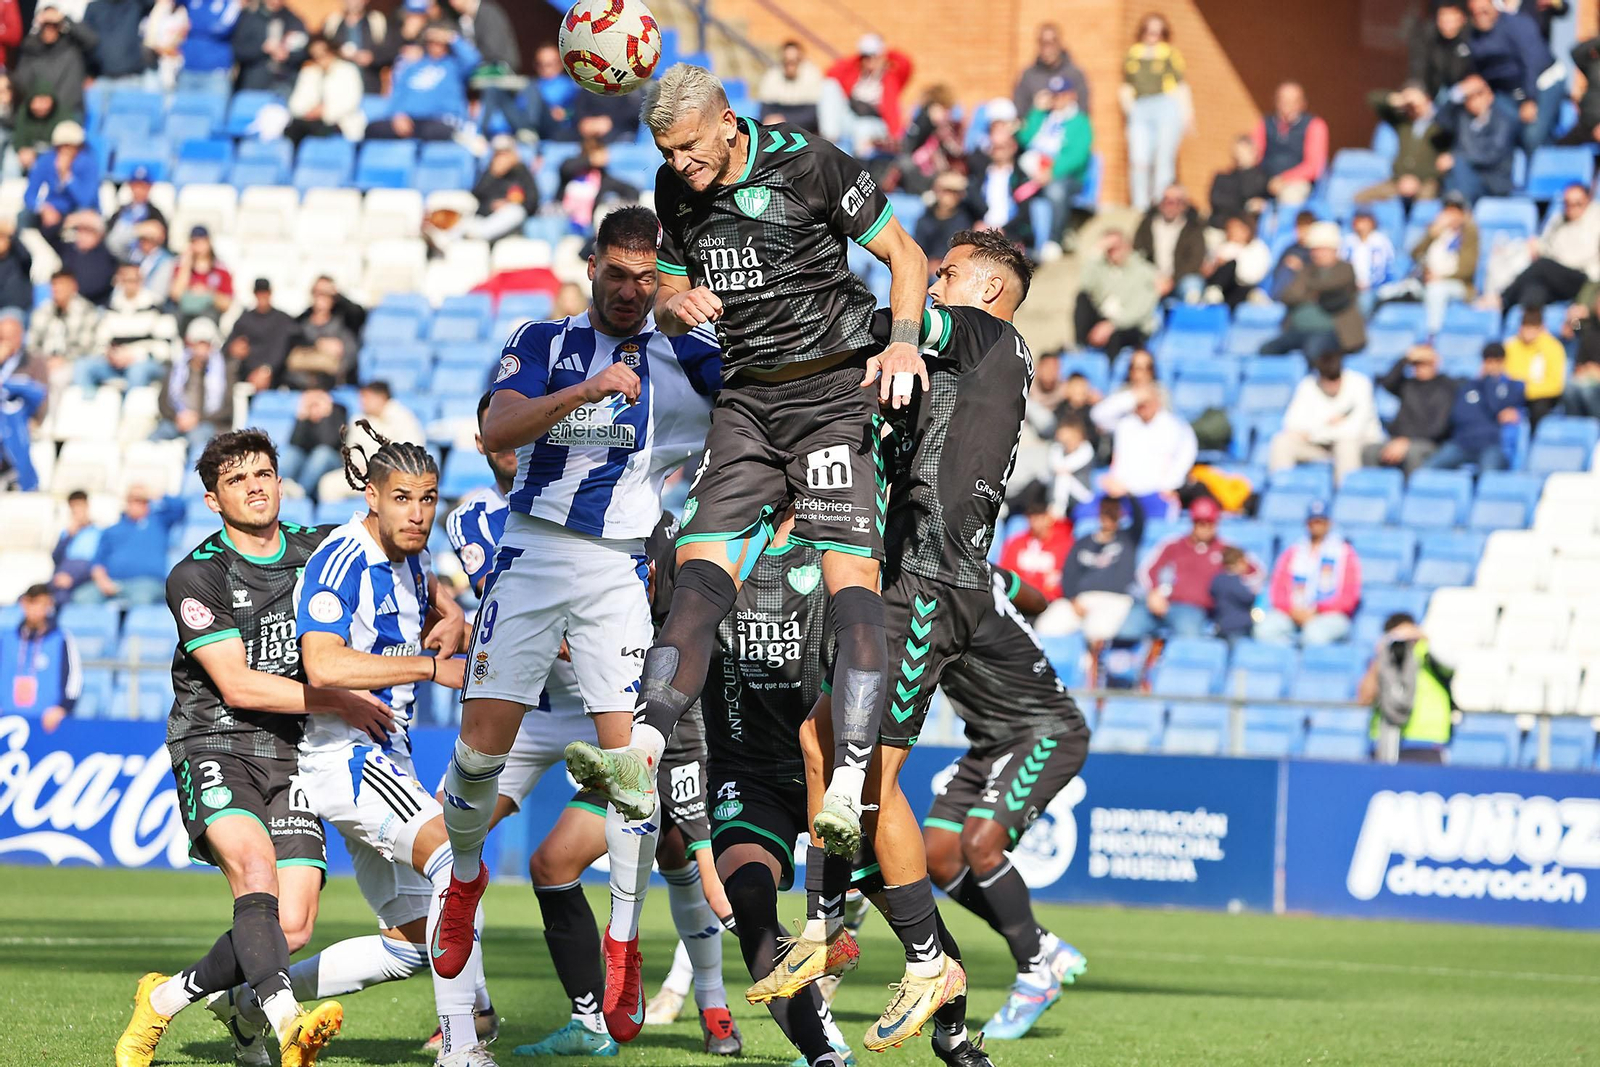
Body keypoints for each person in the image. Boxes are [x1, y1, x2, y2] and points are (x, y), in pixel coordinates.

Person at [552, 70, 929, 1034]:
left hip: (833, 391)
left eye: (690, 148)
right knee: (702, 572)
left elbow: (906, 255)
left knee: (852, 585)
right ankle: (638, 747)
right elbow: (675, 273)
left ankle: (847, 780)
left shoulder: (809, 164)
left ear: (729, 122)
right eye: (668, 153)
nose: (678, 167)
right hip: (748, 405)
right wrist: (674, 301)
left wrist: (901, 346)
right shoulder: (680, 188)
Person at [433, 205, 726, 1044]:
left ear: (658, 272)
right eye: (617, 273)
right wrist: (586, 390)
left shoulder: (687, 357)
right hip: (532, 549)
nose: (630, 291)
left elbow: (756, 405)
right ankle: (462, 878)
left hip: (618, 570)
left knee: (631, 766)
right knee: (479, 752)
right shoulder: (542, 338)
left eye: (646, 276)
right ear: (591, 265)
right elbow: (496, 429)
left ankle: (624, 943)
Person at [771, 231, 1034, 1063]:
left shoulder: (990, 335)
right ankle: (848, 930)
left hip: (929, 582)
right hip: (908, 578)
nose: (932, 280)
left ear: (989, 288)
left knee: (870, 773)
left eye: (946, 271)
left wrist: (805, 296)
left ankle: (915, 956)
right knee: (826, 742)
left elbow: (904, 322)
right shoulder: (963, 369)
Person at [200, 423, 496, 1067]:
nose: (417, 514)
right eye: (402, 499)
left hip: (388, 756)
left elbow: (436, 616)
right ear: (372, 498)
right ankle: (464, 1044)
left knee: (416, 943)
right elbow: (324, 665)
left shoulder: (411, 557)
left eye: (428, 499)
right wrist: (427, 666)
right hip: (348, 760)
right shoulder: (342, 559)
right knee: (458, 865)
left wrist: (454, 625)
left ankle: (251, 1006)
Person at [113, 430, 383, 1067]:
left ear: (281, 481)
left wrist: (447, 611)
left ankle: (164, 1002)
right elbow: (236, 683)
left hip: (294, 750)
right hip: (216, 740)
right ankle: (287, 1023)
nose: (255, 486)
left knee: (291, 927)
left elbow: (395, 528)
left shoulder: (320, 551)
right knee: (254, 876)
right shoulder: (197, 574)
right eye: (237, 480)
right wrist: (339, 699)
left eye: (263, 473)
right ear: (212, 499)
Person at [916, 563, 1090, 1041]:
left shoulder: (932, 591)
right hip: (992, 742)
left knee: (980, 845)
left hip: (1045, 731)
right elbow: (1034, 597)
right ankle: (1042, 945)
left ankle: (1035, 975)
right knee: (937, 855)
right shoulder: (975, 569)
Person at [1121, 496, 1241, 640]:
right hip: (1159, 603)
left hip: (1193, 610)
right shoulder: (1173, 545)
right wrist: (1153, 593)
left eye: (1209, 522)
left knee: (1189, 639)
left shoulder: (1227, 549)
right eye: (1199, 522)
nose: (1204, 527)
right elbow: (1146, 571)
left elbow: (1254, 573)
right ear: (1192, 522)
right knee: (1125, 631)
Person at [1045, 485, 1144, 655]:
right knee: (1048, 625)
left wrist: (1127, 493)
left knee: (1096, 630)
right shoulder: (1083, 541)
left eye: (1113, 511)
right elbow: (1068, 573)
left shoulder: (1128, 538)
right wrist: (1072, 598)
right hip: (1080, 600)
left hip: (1114, 600)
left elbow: (1141, 518)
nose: (1108, 515)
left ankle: (1091, 674)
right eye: (1105, 511)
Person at [1255, 500, 1361, 647]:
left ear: (1328, 523)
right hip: (1292, 613)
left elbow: (1349, 597)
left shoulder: (1344, 553)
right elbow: (1277, 590)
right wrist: (1293, 611)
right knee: (1264, 630)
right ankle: (1288, 662)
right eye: (1313, 522)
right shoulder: (1294, 552)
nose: (1316, 526)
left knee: (1314, 635)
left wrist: (1318, 610)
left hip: (1329, 615)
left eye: (1321, 522)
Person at [1465, 0, 1563, 154]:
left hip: (1542, 82)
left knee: (1533, 136)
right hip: (1508, 91)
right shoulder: (1474, 37)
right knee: (1507, 134)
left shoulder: (1516, 24)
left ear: (1493, 7)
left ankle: (1542, 172)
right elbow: (1482, 69)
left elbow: (1532, 62)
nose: (1480, 16)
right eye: (1474, 13)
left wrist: (1531, 99)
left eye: (1483, 11)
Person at [1269, 353, 1381, 485]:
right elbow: (1291, 423)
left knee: (1346, 446)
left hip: (1359, 445)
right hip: (1320, 446)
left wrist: (1315, 430)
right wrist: (1331, 425)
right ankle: (1281, 490)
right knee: (1281, 442)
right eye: (1328, 380)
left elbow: (1353, 431)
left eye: (1336, 379)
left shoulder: (1360, 383)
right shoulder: (1308, 385)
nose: (1332, 385)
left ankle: (1345, 497)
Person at [1089, 382, 1196, 520]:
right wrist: (1132, 397)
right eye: (1140, 402)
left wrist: (1170, 485)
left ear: (1157, 400)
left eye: (1147, 401)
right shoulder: (1125, 423)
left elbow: (1187, 453)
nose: (1143, 405)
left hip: (1156, 495)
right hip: (1121, 494)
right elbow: (1097, 415)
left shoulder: (1173, 425)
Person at [1261, 221, 1365, 360]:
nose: (1318, 254)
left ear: (1334, 249)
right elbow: (1287, 295)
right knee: (1267, 350)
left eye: (1323, 249)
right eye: (1314, 249)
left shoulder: (1345, 269)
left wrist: (1308, 289)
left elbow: (1330, 288)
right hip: (1297, 330)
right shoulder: (1306, 270)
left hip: (1333, 331)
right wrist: (1312, 294)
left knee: (1314, 350)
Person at [1358, 613, 1454, 762]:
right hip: (1385, 741)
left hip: (1426, 742)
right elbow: (1365, 698)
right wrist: (1381, 655)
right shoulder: (1383, 660)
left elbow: (1452, 665)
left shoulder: (1428, 654)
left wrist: (1423, 638)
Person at [1120, 13, 1190, 212]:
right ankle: (1140, 205)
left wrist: (1186, 114)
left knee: (1163, 158)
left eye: (1158, 32)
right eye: (1149, 31)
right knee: (1139, 159)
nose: (1153, 36)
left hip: (1165, 105)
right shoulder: (1133, 53)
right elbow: (1128, 83)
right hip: (1141, 107)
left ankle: (1162, 203)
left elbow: (1179, 84)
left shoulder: (1170, 53)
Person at [368, 21, 479, 141]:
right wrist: (397, 114)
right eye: (431, 42)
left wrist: (451, 37)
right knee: (373, 129)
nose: (435, 45)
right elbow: (399, 92)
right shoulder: (413, 66)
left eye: (439, 42)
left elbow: (473, 60)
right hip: (410, 120)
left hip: (441, 120)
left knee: (434, 131)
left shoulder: (455, 65)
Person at [1499, 183, 1600, 312]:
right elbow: (1546, 245)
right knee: (1533, 291)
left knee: (1542, 266)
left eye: (1577, 203)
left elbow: (1582, 258)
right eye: (1567, 203)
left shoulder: (1596, 220)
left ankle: (1503, 300)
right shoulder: (1558, 220)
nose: (1572, 208)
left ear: (1588, 201)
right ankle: (1529, 327)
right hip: (1556, 277)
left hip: (1584, 279)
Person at [1019, 75, 1092, 253]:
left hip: (1065, 176)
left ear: (1071, 95)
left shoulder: (1080, 122)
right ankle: (1023, 240)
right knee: (1015, 186)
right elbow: (1024, 139)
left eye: (1061, 95)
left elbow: (1077, 156)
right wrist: (1036, 111)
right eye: (1054, 95)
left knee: (1056, 191)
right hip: (1034, 171)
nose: (1057, 99)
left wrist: (1052, 171)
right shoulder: (1043, 117)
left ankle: (1054, 239)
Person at [1427, 342, 1525, 469]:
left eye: (1497, 361)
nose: (1493, 366)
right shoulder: (1467, 385)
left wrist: (1491, 381)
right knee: (1427, 470)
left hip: (1491, 445)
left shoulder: (1512, 387)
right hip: (1461, 444)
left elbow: (1496, 406)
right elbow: (1456, 414)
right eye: (1489, 361)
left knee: (1489, 475)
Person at [79, 261, 175, 389]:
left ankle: (130, 408)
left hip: (145, 362)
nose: (130, 284)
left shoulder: (157, 306)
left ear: (141, 280)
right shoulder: (111, 307)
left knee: (137, 371)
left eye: (134, 280)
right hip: (115, 363)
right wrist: (109, 354)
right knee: (83, 367)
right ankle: (87, 404)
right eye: (126, 280)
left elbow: (165, 347)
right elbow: (100, 341)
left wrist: (135, 355)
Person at [0, 582, 80, 731]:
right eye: (33, 603)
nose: (37, 610)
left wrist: (63, 707)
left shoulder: (61, 638)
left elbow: (74, 677)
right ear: (24, 603)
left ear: (50, 605)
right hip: (7, 719)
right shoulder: (6, 638)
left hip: (47, 722)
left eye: (43, 604)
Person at [1365, 344, 1457, 474]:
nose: (1419, 368)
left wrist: (1407, 441)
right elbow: (1387, 382)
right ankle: (1374, 491)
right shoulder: (1408, 385)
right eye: (1415, 364)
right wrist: (1405, 358)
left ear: (1435, 363)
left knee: (1413, 453)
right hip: (1398, 439)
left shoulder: (1445, 387)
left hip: (1428, 442)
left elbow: (1438, 427)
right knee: (1370, 451)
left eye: (1424, 363)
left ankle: (1414, 491)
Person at [12, 2, 96, 132]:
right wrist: (35, 100)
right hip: (41, 116)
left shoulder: (72, 46)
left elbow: (92, 41)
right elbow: (21, 81)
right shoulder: (31, 48)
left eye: (54, 25)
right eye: (46, 25)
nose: (49, 29)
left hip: (69, 112)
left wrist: (64, 18)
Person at [1405, 191, 1480, 335]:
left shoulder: (1469, 233)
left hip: (1458, 284)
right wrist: (1431, 235)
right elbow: (1414, 254)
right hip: (1426, 281)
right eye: (1448, 210)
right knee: (1394, 292)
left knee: (1436, 290)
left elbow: (1468, 269)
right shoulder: (1436, 231)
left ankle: (1431, 335)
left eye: (1455, 210)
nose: (1451, 215)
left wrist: (1441, 277)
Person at [156, 318, 235, 453]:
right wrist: (177, 417)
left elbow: (227, 409)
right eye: (198, 344)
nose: (202, 350)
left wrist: (198, 418)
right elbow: (163, 402)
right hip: (177, 421)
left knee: (198, 441)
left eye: (206, 344)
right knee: (155, 439)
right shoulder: (176, 367)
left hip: (209, 423)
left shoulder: (224, 369)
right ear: (189, 343)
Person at [1074, 230, 1160, 353]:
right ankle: (1080, 349)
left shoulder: (1144, 271)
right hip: (1104, 319)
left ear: (1127, 246)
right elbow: (1085, 285)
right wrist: (1096, 251)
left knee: (1115, 337)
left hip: (1131, 325)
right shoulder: (1101, 268)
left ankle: (1110, 369)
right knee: (1082, 299)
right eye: (1109, 248)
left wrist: (1112, 325)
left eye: (1117, 247)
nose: (1113, 252)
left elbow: (1141, 310)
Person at [1358, 82, 1445, 203]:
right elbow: (1373, 99)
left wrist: (1422, 104)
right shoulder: (1404, 124)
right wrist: (1399, 99)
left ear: (1427, 98)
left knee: (1425, 207)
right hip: (1399, 181)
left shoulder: (1440, 123)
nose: (1412, 107)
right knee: (1360, 199)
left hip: (1426, 182)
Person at [823, 33, 913, 149]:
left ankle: (858, 164)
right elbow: (831, 73)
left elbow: (906, 64)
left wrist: (886, 53)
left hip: (875, 122)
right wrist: (857, 57)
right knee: (829, 86)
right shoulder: (855, 73)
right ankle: (829, 141)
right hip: (852, 117)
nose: (869, 61)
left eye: (873, 56)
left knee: (862, 129)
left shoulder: (891, 77)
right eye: (866, 57)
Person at [1436, 74, 1516, 203]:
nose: (1474, 100)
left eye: (1479, 94)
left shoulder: (1502, 121)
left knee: (1457, 168)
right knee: (1453, 175)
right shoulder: (1462, 118)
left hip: (1492, 179)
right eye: (1469, 96)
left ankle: (1456, 210)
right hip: (1464, 177)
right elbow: (1440, 119)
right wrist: (1458, 91)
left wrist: (1456, 159)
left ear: (1490, 95)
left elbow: (1492, 156)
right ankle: (1453, 208)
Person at [1252, 82, 1328, 206]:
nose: (1288, 105)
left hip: (1296, 182)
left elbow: (1314, 167)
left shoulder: (1314, 125)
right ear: (1276, 102)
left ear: (1303, 104)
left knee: (1290, 196)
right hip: (1266, 180)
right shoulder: (1265, 123)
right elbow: (1254, 156)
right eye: (1283, 100)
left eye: (1293, 101)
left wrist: (1283, 179)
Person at [998, 486, 1073, 609]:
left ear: (1049, 517)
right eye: (1031, 517)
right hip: (1019, 599)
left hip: (1050, 602)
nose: (1035, 522)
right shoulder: (1017, 542)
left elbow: (1066, 578)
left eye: (1040, 516)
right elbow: (1006, 572)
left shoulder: (1065, 543)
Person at [1133, 184, 1205, 305]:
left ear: (1184, 205)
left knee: (1193, 287)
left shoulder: (1194, 228)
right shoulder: (1146, 225)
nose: (1170, 205)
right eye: (1167, 200)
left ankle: (1187, 320)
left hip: (1180, 279)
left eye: (1176, 201)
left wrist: (1172, 280)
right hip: (1152, 277)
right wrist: (1154, 277)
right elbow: (1138, 253)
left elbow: (1195, 260)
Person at [286, 33, 366, 141]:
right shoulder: (309, 72)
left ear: (331, 52)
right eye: (315, 56)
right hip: (308, 120)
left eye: (323, 54)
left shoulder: (348, 71)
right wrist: (308, 111)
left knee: (319, 130)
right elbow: (296, 103)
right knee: (292, 129)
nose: (320, 59)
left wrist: (324, 112)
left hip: (339, 122)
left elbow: (351, 102)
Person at [463, 135, 539, 243]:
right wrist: (493, 175)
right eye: (498, 153)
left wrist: (507, 204)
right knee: (466, 217)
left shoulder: (521, 172)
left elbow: (532, 202)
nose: (502, 157)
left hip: (511, 219)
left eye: (506, 153)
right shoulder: (490, 172)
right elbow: (476, 197)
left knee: (515, 212)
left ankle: (478, 234)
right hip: (488, 217)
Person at [227, 279, 299, 392]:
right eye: (259, 292)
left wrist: (266, 371)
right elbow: (228, 347)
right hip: (248, 377)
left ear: (270, 293)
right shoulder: (245, 320)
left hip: (277, 379)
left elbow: (283, 349)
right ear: (254, 294)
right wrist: (233, 349)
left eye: (265, 292)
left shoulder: (283, 320)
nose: (262, 296)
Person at [23, 119, 97, 226]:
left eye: (71, 146)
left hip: (79, 213)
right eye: (61, 146)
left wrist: (67, 176)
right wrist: (43, 209)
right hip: (53, 213)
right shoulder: (47, 160)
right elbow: (29, 195)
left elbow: (86, 200)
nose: (65, 151)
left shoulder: (88, 163)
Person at [1503, 305, 1566, 426]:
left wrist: (1527, 389)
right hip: (1513, 392)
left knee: (1539, 407)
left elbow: (1555, 385)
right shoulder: (1510, 345)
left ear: (1541, 328)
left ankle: (1535, 440)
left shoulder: (1553, 347)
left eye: (1533, 328)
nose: (1528, 333)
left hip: (1540, 395)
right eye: (1526, 327)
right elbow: (1505, 373)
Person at [1013, 23, 1091, 119]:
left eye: (1052, 42)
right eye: (1043, 43)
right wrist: (1036, 107)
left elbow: (1084, 112)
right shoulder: (1029, 76)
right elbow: (1019, 113)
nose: (1047, 49)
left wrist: (1064, 105)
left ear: (1059, 43)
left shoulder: (1074, 74)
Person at [278, 388, 346, 496]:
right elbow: (295, 443)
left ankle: (300, 492)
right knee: (291, 453)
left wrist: (325, 416)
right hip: (307, 460)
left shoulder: (338, 411)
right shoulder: (305, 417)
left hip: (332, 459)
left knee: (321, 453)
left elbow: (329, 442)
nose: (314, 405)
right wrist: (302, 417)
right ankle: (280, 490)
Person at [28, 268, 100, 368]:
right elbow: (32, 344)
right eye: (54, 284)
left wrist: (64, 360)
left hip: (72, 363)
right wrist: (43, 361)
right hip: (44, 363)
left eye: (61, 284)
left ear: (73, 286)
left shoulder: (87, 311)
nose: (56, 289)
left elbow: (86, 347)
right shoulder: (42, 310)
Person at [234, 0, 309, 94]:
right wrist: (263, 48)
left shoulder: (293, 21)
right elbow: (238, 50)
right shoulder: (250, 18)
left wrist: (287, 54)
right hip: (253, 85)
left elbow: (304, 51)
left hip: (283, 85)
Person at [46, 208, 116, 305]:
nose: (82, 235)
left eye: (88, 231)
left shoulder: (106, 252)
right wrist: (70, 220)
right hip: (72, 305)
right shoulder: (68, 250)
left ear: (98, 235)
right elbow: (48, 234)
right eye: (80, 230)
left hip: (98, 305)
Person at [1201, 213, 1270, 309]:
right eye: (1229, 229)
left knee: (1233, 268)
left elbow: (1255, 275)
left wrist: (1236, 263)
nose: (1232, 232)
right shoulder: (1223, 247)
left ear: (1246, 230)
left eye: (1236, 229)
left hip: (1241, 287)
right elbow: (1207, 271)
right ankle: (1214, 291)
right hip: (1222, 287)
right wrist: (1217, 265)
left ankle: (1253, 297)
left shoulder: (1258, 248)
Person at [1409, 0, 1475, 99]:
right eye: (1443, 16)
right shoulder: (1428, 37)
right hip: (1434, 95)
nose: (1447, 22)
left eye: (1452, 16)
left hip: (1467, 96)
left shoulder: (1473, 37)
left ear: (1462, 18)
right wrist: (1416, 90)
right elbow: (1418, 71)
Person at [171, 226, 234, 327]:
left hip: (209, 315)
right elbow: (176, 294)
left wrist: (208, 293)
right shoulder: (181, 266)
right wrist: (187, 262)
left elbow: (227, 303)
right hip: (185, 315)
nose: (199, 246)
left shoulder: (221, 269)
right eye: (195, 242)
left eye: (202, 241)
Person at [83, 0, 155, 90]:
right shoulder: (93, 7)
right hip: (100, 79)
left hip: (132, 78)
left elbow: (152, 3)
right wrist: (88, 73)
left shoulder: (135, 4)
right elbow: (85, 41)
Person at [1340, 208, 1397, 317]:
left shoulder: (1381, 241)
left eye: (1365, 221)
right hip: (1350, 285)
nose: (1362, 225)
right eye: (1359, 221)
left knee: (1364, 298)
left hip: (1376, 287)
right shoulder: (1348, 241)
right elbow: (1341, 264)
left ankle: (1361, 328)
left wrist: (1369, 284)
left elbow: (1384, 268)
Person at [914, 172, 979, 267]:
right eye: (945, 191)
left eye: (954, 192)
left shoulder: (966, 215)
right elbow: (918, 250)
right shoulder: (926, 219)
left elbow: (982, 207)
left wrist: (964, 183)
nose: (949, 196)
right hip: (931, 268)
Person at [758, 40, 824, 132]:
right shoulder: (772, 76)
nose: (790, 66)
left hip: (806, 132)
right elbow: (764, 112)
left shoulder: (812, 75)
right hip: (778, 131)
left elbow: (812, 116)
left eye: (794, 61)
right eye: (787, 61)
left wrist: (785, 120)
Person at [1206, 135, 1268, 230]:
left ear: (1254, 152)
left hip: (1247, 232)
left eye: (1243, 151)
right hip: (1220, 227)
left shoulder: (1263, 179)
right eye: (1237, 152)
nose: (1239, 155)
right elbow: (1217, 200)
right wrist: (1246, 205)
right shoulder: (1223, 178)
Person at [180, 0, 243, 95]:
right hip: (188, 68)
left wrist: (193, 27)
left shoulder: (230, 3)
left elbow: (221, 29)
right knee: (181, 109)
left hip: (216, 72)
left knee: (215, 107)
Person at [106, 167, 169, 260]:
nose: (139, 190)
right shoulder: (121, 212)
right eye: (136, 186)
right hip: (120, 265)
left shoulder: (156, 215)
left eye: (143, 186)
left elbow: (162, 246)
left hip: (146, 266)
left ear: (150, 187)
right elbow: (110, 242)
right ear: (130, 186)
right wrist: (138, 230)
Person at [50, 490, 101, 601]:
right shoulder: (67, 533)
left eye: (80, 507)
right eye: (74, 509)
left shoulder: (99, 533)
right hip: (64, 569)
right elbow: (56, 559)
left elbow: (98, 562)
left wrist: (74, 578)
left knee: (62, 597)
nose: (77, 512)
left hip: (83, 572)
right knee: (31, 596)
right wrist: (69, 536)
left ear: (87, 507)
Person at [1560, 295, 1600, 417]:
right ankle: (1577, 429)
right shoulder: (1589, 327)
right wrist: (1573, 317)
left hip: (1595, 381)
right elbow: (1572, 328)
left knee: (1588, 392)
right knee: (1569, 388)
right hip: (1586, 376)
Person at [1209, 547, 1257, 642]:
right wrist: (1254, 593)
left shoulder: (1217, 579)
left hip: (1221, 624)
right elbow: (1247, 597)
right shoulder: (1235, 581)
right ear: (1239, 563)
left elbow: (1211, 591)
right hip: (1238, 626)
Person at [0, 218, 33, 312]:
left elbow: (26, 257)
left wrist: (12, 234)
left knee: (9, 322)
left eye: (2, 238)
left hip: (16, 310)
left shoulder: (19, 259)